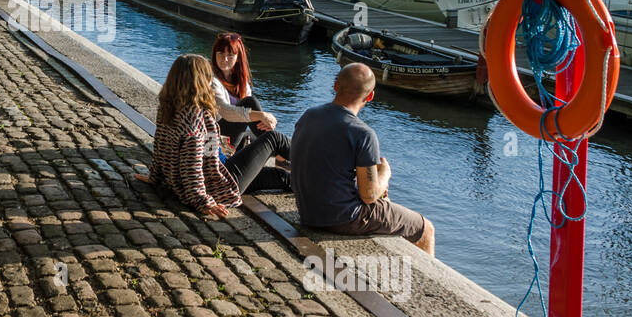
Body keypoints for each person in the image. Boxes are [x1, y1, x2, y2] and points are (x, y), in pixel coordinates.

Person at [289, 63, 435, 255]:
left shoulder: (309, 115)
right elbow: (369, 195)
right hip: (341, 219)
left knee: (386, 205)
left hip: (308, 212)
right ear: (370, 96)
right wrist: (385, 174)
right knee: (425, 228)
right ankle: (422, 282)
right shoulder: (363, 133)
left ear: (335, 86)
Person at [145, 55, 289, 220]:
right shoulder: (194, 120)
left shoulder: (167, 107)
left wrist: (154, 177)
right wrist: (204, 202)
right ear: (201, 81)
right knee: (273, 139)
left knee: (282, 177)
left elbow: (161, 146)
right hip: (220, 180)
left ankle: (315, 179)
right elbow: (191, 169)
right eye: (208, 77)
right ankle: (319, 161)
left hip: (217, 170)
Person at [210, 33, 278, 151]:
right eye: (221, 53)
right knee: (249, 103)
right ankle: (280, 156)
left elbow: (250, 121)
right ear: (215, 54)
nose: (224, 59)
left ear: (238, 58)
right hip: (214, 141)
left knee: (264, 139)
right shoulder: (211, 79)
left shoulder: (242, 83)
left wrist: (265, 120)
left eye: (230, 55)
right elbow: (226, 112)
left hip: (232, 136)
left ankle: (278, 149)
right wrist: (262, 116)